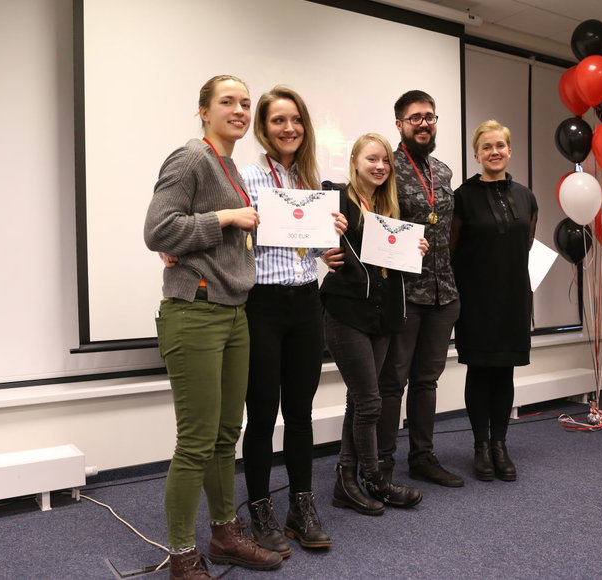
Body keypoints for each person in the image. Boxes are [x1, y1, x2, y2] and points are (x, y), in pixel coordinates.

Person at [143, 75, 282, 580]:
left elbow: (197, 233)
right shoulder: (192, 158)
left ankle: (224, 534)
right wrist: (224, 216)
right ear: (204, 111)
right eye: (228, 102)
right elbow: (157, 230)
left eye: (246, 103)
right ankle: (182, 556)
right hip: (195, 310)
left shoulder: (230, 167)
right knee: (197, 440)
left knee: (227, 434)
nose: (241, 110)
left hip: (233, 312)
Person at [238, 86, 345, 555]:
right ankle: (260, 509)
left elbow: (315, 250)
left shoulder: (310, 181)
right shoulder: (245, 177)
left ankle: (301, 507)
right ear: (264, 128)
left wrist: (332, 239)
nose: (289, 128)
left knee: (300, 414)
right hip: (261, 304)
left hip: (306, 304)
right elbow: (230, 233)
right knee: (262, 415)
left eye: (296, 120)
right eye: (279, 120)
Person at [321, 133, 428, 516]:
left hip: (381, 317)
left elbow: (393, 270)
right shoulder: (336, 199)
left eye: (385, 159)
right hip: (346, 313)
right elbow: (317, 241)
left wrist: (413, 252)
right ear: (354, 161)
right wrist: (324, 239)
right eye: (371, 159)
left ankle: (346, 482)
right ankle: (375, 479)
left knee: (359, 400)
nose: (380, 165)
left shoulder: (389, 212)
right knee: (369, 402)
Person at [377, 90, 462, 488]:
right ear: (400, 125)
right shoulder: (385, 168)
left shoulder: (443, 172)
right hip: (403, 293)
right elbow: (373, 227)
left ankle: (422, 458)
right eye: (415, 118)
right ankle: (381, 465)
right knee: (393, 381)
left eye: (430, 116)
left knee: (427, 381)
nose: (424, 123)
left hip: (443, 292)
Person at [450, 119, 538, 483]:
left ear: (509, 150)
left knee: (505, 371)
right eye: (487, 147)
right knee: (480, 370)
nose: (494, 152)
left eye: (500, 145)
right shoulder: (463, 197)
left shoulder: (526, 196)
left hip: (514, 296)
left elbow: (526, 243)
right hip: (476, 297)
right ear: (476, 154)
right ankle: (481, 447)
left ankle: (501, 445)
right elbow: (451, 251)